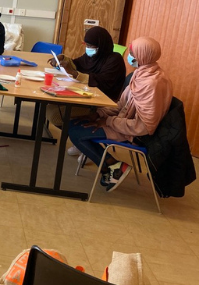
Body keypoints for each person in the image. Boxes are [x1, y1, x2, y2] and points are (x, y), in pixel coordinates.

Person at [68, 36, 173, 192]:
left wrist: (108, 121)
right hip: (123, 122)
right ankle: (113, 165)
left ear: (143, 55)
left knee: (76, 132)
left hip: (136, 133)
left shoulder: (153, 83)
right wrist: (98, 114)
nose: (130, 56)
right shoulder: (140, 74)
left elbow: (144, 126)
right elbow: (121, 105)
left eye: (133, 53)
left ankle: (110, 167)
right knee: (74, 124)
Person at [46, 26, 126, 157]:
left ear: (101, 45)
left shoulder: (114, 60)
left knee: (56, 115)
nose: (88, 48)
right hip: (87, 96)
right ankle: (81, 141)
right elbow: (77, 64)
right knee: (49, 108)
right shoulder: (91, 57)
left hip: (101, 104)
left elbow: (102, 82)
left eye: (91, 46)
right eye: (86, 45)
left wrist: (75, 74)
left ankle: (83, 141)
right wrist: (63, 59)